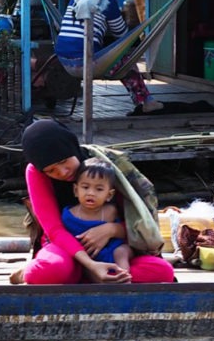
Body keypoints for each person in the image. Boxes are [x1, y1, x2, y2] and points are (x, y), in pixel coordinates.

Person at [13, 119, 175, 284]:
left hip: (111, 249)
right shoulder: (36, 171)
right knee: (51, 270)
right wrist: (91, 265)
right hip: (65, 248)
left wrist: (112, 229)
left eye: (63, 161)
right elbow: (54, 230)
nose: (62, 172)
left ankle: (93, 275)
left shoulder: (106, 166)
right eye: (51, 170)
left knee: (163, 271)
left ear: (73, 147)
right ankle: (36, 272)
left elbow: (139, 222)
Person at [54, 0, 163, 114]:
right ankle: (146, 102)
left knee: (114, 57)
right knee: (127, 64)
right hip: (85, 61)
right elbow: (122, 35)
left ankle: (144, 102)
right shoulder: (108, 1)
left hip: (63, 58)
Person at [62, 159, 132, 271]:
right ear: (76, 190)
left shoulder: (111, 211)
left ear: (109, 195)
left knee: (122, 251)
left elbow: (124, 234)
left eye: (99, 189)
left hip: (111, 250)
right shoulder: (69, 215)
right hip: (85, 256)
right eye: (85, 187)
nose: (91, 193)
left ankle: (124, 274)